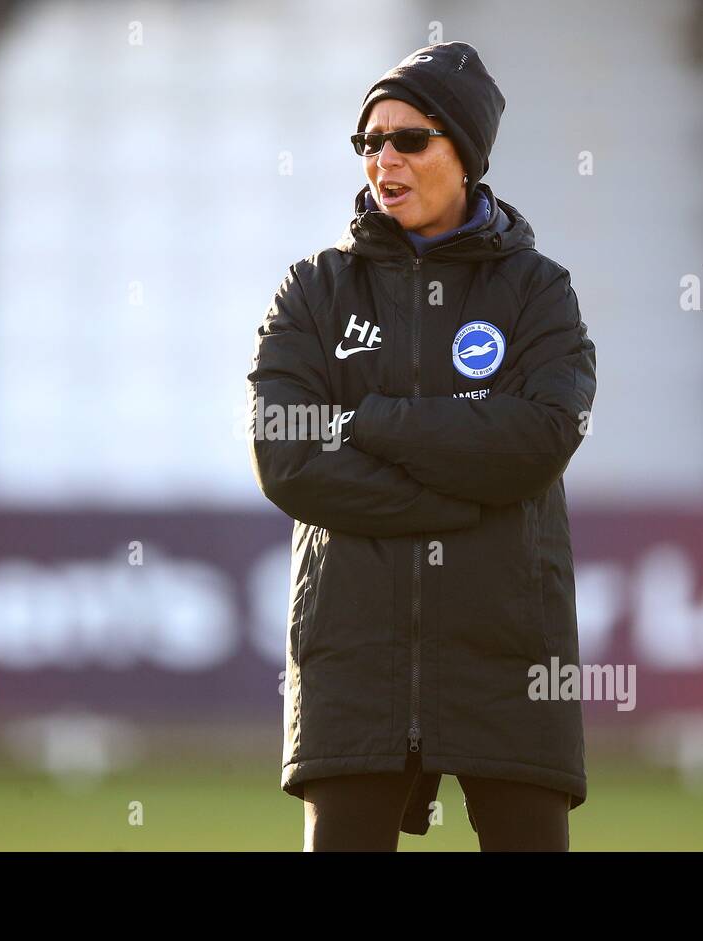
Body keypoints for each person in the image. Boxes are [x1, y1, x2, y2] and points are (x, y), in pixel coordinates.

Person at [246, 41, 597, 851]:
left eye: (410, 139)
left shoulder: (540, 290)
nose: (383, 159)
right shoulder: (313, 290)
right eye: (370, 141)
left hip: (510, 657)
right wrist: (462, 496)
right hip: (353, 658)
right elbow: (284, 455)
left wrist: (366, 421)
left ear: (466, 154)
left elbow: (540, 437)